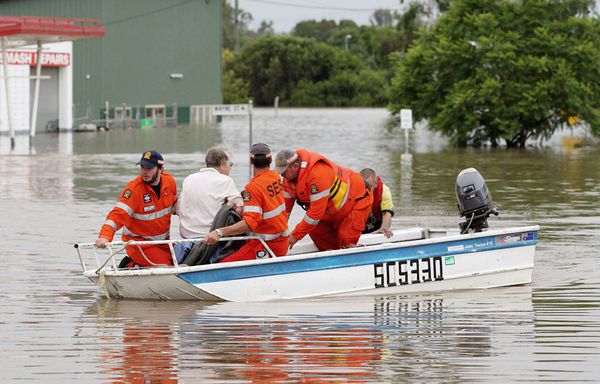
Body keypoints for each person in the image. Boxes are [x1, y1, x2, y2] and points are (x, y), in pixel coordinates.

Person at [275, 148, 373, 251]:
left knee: (346, 239)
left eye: (284, 172)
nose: (282, 175)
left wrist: (294, 237)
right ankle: (333, 261)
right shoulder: (287, 180)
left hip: (356, 200)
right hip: (330, 212)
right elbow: (284, 212)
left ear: (295, 166)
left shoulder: (318, 173)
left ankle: (348, 255)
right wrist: (276, 238)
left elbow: (315, 214)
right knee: (315, 232)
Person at [205, 143, 289, 262]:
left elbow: (250, 223)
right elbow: (265, 199)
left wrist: (220, 232)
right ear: (270, 160)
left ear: (251, 161)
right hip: (282, 240)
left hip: (266, 245)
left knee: (223, 263)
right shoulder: (276, 178)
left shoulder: (253, 187)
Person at [95, 150, 177, 267]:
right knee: (165, 267)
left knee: (181, 260)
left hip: (163, 242)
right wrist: (105, 236)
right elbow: (117, 214)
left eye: (149, 168)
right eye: (142, 167)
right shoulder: (134, 189)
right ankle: (130, 266)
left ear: (160, 169)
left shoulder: (169, 182)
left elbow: (174, 205)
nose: (144, 171)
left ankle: (134, 264)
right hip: (139, 244)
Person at [176, 147, 243, 238]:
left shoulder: (189, 179)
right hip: (212, 238)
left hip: (187, 237)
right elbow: (240, 209)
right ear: (222, 165)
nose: (230, 168)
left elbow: (179, 208)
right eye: (230, 164)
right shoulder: (226, 181)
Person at [360, 168, 395, 238]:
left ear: (375, 183)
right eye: (363, 187)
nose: (366, 190)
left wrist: (384, 228)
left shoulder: (384, 191)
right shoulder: (354, 189)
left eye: (369, 186)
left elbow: (387, 213)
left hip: (377, 225)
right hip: (360, 225)